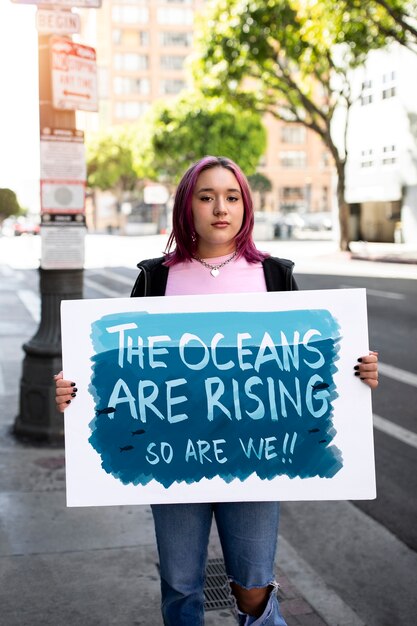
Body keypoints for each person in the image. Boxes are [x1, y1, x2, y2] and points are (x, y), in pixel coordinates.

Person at [55, 156, 378, 626]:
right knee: (182, 587)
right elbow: (118, 368)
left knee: (253, 586)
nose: (220, 208)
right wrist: (75, 391)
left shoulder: (274, 276)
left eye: (231, 197)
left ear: (246, 206)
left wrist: (356, 372)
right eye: (206, 197)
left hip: (255, 455)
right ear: (187, 206)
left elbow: (311, 361)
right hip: (172, 455)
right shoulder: (156, 277)